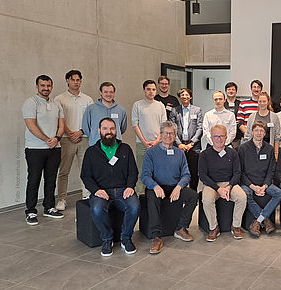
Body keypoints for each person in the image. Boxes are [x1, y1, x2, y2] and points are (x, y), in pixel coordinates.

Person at [80, 118, 140, 257]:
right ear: (99, 131)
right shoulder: (91, 152)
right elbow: (86, 176)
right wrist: (96, 190)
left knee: (135, 206)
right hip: (101, 191)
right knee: (96, 209)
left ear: (116, 131)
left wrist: (130, 186)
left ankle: (126, 238)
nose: (109, 132)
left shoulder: (125, 149)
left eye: (112, 129)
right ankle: (107, 239)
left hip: (123, 190)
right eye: (105, 129)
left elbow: (133, 172)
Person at [141, 121, 198, 254]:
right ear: (160, 135)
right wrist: (155, 186)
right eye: (166, 133)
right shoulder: (151, 153)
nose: (168, 136)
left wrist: (179, 187)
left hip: (174, 186)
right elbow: (145, 176)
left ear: (175, 135)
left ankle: (181, 228)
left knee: (193, 196)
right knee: (151, 197)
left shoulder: (180, 153)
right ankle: (156, 237)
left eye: (171, 133)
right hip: (156, 187)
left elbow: (186, 174)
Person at [22, 75, 65, 225]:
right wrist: (47, 139)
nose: (46, 89)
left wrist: (57, 139)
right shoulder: (30, 102)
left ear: (51, 87)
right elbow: (31, 125)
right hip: (35, 149)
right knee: (34, 179)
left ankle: (49, 207)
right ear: (37, 86)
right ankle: (31, 211)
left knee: (51, 179)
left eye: (48, 86)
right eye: (43, 86)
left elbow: (61, 124)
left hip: (55, 147)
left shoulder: (56, 104)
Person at [199, 125, 247, 241]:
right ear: (211, 137)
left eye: (221, 136)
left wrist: (229, 187)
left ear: (226, 137)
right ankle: (213, 227)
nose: (219, 139)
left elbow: (237, 173)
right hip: (211, 185)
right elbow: (203, 175)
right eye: (216, 136)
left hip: (229, 184)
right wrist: (218, 189)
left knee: (242, 197)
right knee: (207, 199)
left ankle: (236, 226)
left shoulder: (233, 153)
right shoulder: (204, 154)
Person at [55, 69, 94, 209]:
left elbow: (91, 119)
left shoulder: (88, 99)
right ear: (67, 80)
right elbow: (59, 119)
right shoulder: (59, 99)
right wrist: (70, 132)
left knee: (86, 170)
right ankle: (62, 199)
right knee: (64, 171)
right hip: (66, 139)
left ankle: (86, 194)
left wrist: (81, 131)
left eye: (78, 80)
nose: (76, 82)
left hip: (84, 138)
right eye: (73, 80)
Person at [239, 122, 281, 238]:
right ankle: (266, 220)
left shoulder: (269, 148)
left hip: (264, 183)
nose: (259, 133)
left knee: (278, 193)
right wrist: (252, 186)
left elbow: (271, 170)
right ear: (252, 132)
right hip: (248, 183)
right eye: (256, 130)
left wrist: (265, 186)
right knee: (245, 194)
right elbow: (240, 172)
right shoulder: (243, 148)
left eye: (261, 131)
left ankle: (258, 221)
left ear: (265, 133)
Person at [132, 80, 167, 195]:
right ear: (144, 90)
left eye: (153, 89)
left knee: (158, 171)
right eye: (148, 89)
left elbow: (163, 125)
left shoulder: (160, 105)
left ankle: (156, 196)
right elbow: (135, 124)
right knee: (142, 171)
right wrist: (144, 142)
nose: (151, 92)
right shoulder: (137, 105)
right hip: (142, 144)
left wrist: (157, 141)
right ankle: (139, 196)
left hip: (158, 144)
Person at [169, 88, 203, 191]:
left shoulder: (197, 110)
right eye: (182, 95)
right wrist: (179, 144)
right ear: (179, 98)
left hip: (193, 147)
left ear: (190, 97)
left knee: (193, 172)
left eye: (187, 95)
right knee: (179, 172)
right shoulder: (174, 110)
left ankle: (192, 194)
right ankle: (181, 194)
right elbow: (172, 128)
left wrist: (192, 143)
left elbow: (200, 128)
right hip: (179, 146)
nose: (184, 97)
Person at [82, 82, 127, 146]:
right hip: (96, 145)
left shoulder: (121, 110)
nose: (108, 94)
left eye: (111, 92)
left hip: (115, 146)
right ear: (101, 93)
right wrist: (95, 136)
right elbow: (86, 128)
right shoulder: (91, 109)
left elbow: (122, 128)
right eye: (106, 92)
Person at [242, 92, 280, 160]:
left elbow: (277, 137)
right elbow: (247, 135)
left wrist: (276, 152)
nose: (262, 103)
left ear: (268, 102)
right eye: (260, 101)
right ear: (258, 102)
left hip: (269, 149)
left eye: (264, 101)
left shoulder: (274, 117)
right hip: (252, 150)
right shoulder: (252, 117)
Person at [223, 82, 242, 149]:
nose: (231, 91)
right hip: (224, 135)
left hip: (237, 136)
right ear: (226, 91)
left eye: (233, 89)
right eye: (229, 89)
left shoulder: (241, 104)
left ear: (236, 91)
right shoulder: (222, 104)